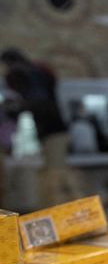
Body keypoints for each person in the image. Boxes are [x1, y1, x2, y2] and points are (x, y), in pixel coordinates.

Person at [1, 48, 81, 204]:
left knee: (56, 174)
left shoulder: (32, 76)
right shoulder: (33, 76)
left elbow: (40, 103)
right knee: (56, 173)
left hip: (54, 132)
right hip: (51, 131)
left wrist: (18, 107)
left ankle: (77, 211)